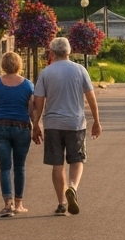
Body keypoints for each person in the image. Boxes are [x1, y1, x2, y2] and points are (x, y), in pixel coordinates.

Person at [32, 36, 101, 216]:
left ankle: (62, 202)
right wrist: (96, 121)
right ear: (69, 51)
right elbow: (90, 97)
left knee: (57, 164)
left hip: (53, 123)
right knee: (77, 160)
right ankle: (72, 187)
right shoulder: (80, 70)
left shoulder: (46, 72)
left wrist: (35, 124)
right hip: (75, 122)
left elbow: (38, 101)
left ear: (52, 52)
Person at [0, 50, 34, 217]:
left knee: (5, 167)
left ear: (3, 65)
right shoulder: (28, 85)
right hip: (22, 127)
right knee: (19, 167)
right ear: (19, 65)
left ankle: (7, 204)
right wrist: (37, 127)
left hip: (1, 127)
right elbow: (31, 110)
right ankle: (19, 204)